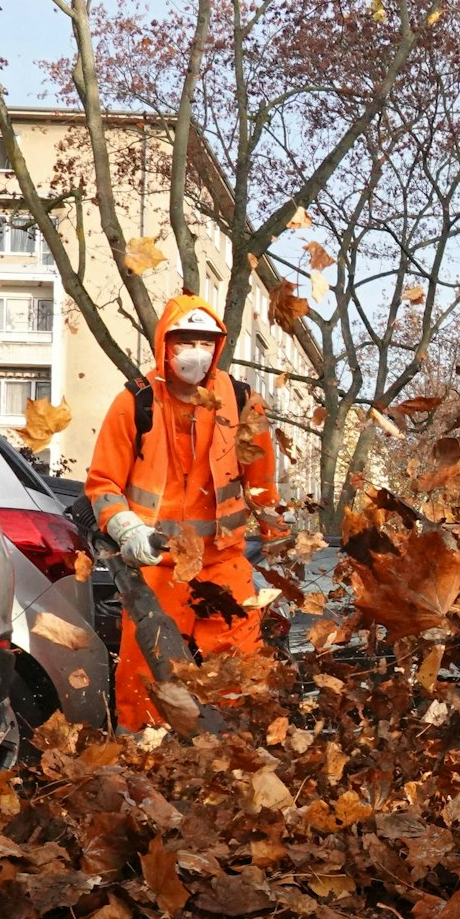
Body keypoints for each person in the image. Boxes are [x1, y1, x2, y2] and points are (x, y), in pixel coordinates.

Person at [85, 293, 284, 730]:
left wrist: (280, 545)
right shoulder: (135, 402)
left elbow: (262, 485)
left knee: (240, 670)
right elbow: (103, 484)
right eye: (184, 341)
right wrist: (129, 531)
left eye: (204, 341)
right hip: (156, 564)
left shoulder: (242, 401)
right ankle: (143, 762)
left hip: (222, 560)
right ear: (164, 344)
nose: (196, 351)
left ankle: (236, 757)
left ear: (218, 346)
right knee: (147, 673)